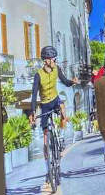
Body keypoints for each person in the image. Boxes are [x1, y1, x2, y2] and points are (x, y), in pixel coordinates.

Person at [30, 46, 75, 183]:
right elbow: (34, 95)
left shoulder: (57, 69)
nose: (55, 61)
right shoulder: (38, 75)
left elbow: (65, 81)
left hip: (55, 100)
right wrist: (32, 112)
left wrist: (72, 82)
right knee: (45, 138)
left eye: (55, 59)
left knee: (62, 109)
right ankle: (47, 170)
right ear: (46, 60)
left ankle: (60, 136)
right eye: (53, 59)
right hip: (45, 105)